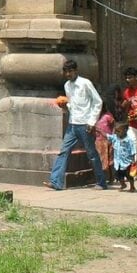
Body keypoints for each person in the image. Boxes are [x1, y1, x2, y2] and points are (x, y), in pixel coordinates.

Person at [44, 59, 107, 191]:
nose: (68, 74)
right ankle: (56, 181)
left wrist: (91, 122)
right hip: (73, 124)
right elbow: (72, 104)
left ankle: (101, 182)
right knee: (64, 151)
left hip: (85, 124)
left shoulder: (85, 83)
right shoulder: (67, 85)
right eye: (66, 71)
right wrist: (65, 105)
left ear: (76, 71)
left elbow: (98, 102)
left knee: (92, 154)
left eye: (70, 71)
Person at [106, 121, 137, 192]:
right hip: (118, 162)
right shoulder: (115, 138)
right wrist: (99, 130)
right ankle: (123, 184)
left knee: (129, 175)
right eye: (116, 131)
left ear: (125, 130)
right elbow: (107, 136)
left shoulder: (129, 140)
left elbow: (133, 151)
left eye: (118, 131)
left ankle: (132, 186)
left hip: (127, 162)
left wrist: (133, 161)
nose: (116, 133)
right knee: (119, 175)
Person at [95, 99, 116, 185]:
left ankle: (112, 178)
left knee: (110, 159)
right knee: (100, 160)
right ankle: (101, 178)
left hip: (107, 140)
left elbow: (114, 125)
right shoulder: (94, 116)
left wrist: (113, 136)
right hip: (98, 141)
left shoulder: (108, 116)